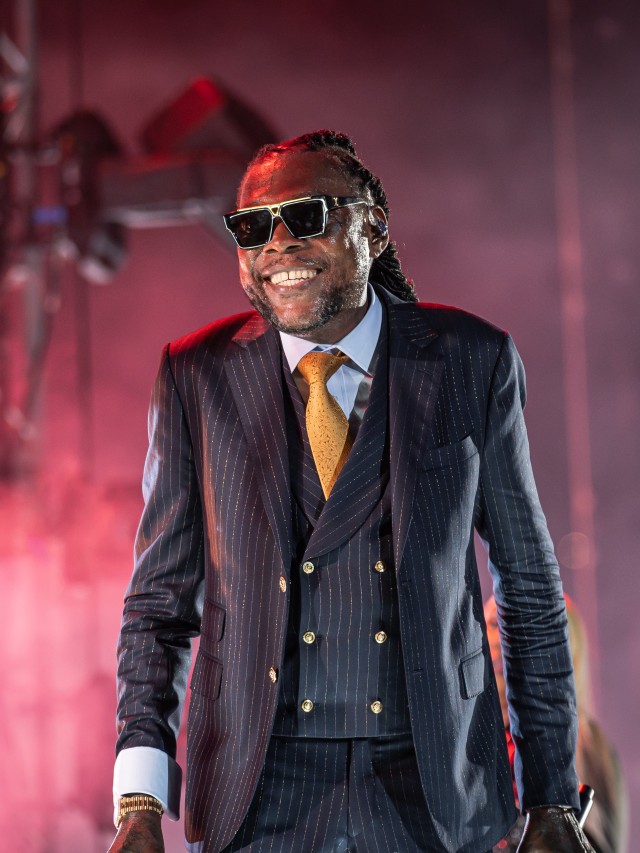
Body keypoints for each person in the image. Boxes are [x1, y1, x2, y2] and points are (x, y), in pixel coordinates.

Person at [109, 130, 596, 852]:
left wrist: (551, 797)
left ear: (374, 227)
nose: (277, 244)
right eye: (252, 228)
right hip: (256, 798)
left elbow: (527, 586)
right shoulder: (195, 374)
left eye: (305, 217)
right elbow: (159, 607)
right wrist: (140, 798)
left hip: (433, 792)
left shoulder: (472, 359)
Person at [485, 594, 629, 853]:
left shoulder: (580, 740)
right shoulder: (482, 732)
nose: (493, 638)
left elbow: (591, 840)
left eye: (502, 623)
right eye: (490, 624)